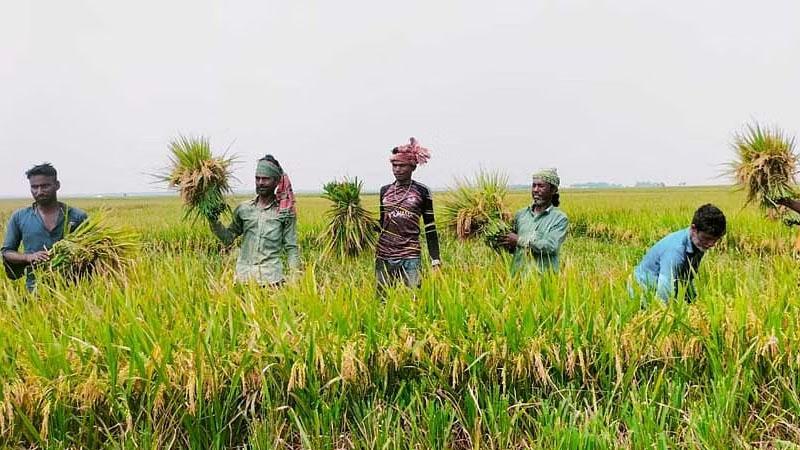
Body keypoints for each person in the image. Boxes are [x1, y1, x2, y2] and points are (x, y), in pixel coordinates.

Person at [209, 155, 300, 287]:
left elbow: (291, 247)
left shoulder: (284, 212)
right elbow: (228, 238)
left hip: (271, 281)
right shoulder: (244, 209)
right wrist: (212, 219)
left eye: (266, 179)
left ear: (276, 181)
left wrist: (294, 278)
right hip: (243, 279)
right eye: (258, 178)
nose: (260, 182)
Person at [2, 163, 88, 292]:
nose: (39, 191)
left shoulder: (77, 216)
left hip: (75, 289)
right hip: (35, 290)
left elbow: (91, 252)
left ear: (57, 185)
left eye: (45, 186)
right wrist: (28, 257)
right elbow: (7, 253)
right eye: (34, 187)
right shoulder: (20, 217)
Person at [376, 137, 441, 294]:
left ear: (413, 167)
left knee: (413, 298)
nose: (397, 169)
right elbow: (382, 222)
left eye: (402, 165)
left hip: (410, 254)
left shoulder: (422, 192)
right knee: (382, 300)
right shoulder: (385, 191)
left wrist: (435, 259)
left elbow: (430, 227)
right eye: (394, 165)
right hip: (384, 254)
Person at [632, 204, 726, 303]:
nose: (711, 244)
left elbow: (687, 278)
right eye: (707, 238)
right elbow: (665, 288)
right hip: (642, 293)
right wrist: (664, 315)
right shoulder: (675, 250)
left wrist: (693, 302)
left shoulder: (699, 244)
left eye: (715, 240)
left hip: (664, 288)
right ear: (693, 229)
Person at [500, 168, 569, 275]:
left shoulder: (559, 218)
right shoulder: (521, 214)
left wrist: (519, 240)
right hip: (518, 278)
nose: (536, 190)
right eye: (534, 185)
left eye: (541, 186)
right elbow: (513, 247)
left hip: (544, 280)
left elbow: (551, 247)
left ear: (553, 190)